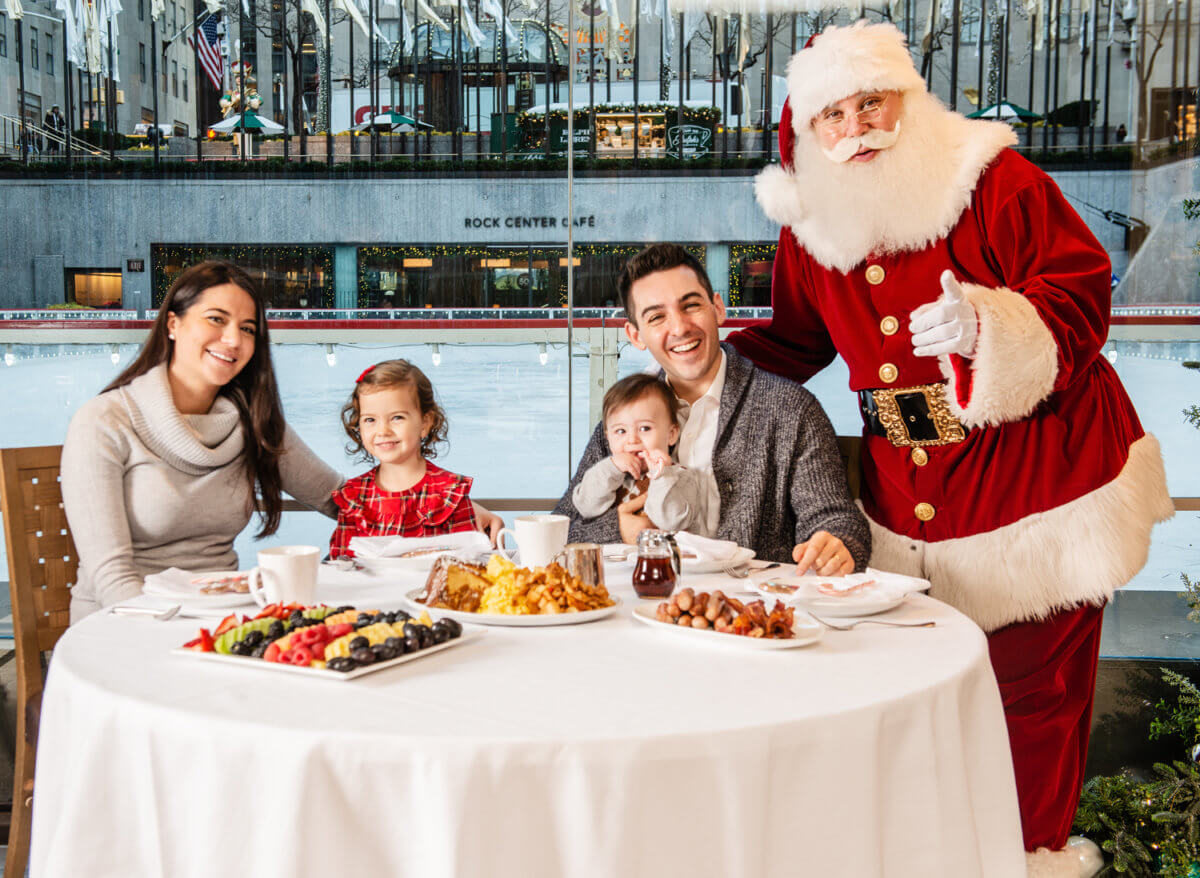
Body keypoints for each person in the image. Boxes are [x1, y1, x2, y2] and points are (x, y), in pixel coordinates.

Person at [730, 21, 1172, 877]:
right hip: (906, 500)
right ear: (805, 129)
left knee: (1030, 704)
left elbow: (1079, 292)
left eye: (872, 104)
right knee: (910, 703)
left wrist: (987, 326)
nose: (855, 129)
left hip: (1035, 486)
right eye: (833, 115)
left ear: (909, 101)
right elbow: (794, 340)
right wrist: (699, 355)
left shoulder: (994, 179)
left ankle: (1027, 860)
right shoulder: (817, 226)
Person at [555, 243, 869, 572]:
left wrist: (839, 543)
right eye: (657, 316)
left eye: (690, 306)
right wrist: (619, 531)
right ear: (636, 335)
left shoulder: (790, 409)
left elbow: (835, 519)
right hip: (639, 609)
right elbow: (562, 526)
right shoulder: (625, 418)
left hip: (751, 612)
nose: (679, 328)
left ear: (717, 308)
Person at [61, 261, 344, 622]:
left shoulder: (253, 421)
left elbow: (338, 498)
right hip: (122, 621)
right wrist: (184, 640)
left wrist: (428, 502)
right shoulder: (105, 420)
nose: (233, 340)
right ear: (173, 324)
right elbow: (112, 577)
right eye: (216, 319)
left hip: (221, 616)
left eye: (247, 328)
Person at [327, 359, 478, 559]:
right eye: (370, 420)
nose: (383, 431)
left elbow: (470, 562)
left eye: (397, 417)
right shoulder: (353, 497)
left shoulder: (451, 492)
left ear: (425, 422)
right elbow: (342, 566)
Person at [571, 372, 717, 535]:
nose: (632, 440)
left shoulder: (680, 477)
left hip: (665, 559)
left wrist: (661, 475)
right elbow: (586, 506)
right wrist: (611, 468)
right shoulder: (608, 476)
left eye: (645, 428)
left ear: (671, 434)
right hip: (614, 559)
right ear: (608, 438)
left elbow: (671, 521)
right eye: (620, 431)